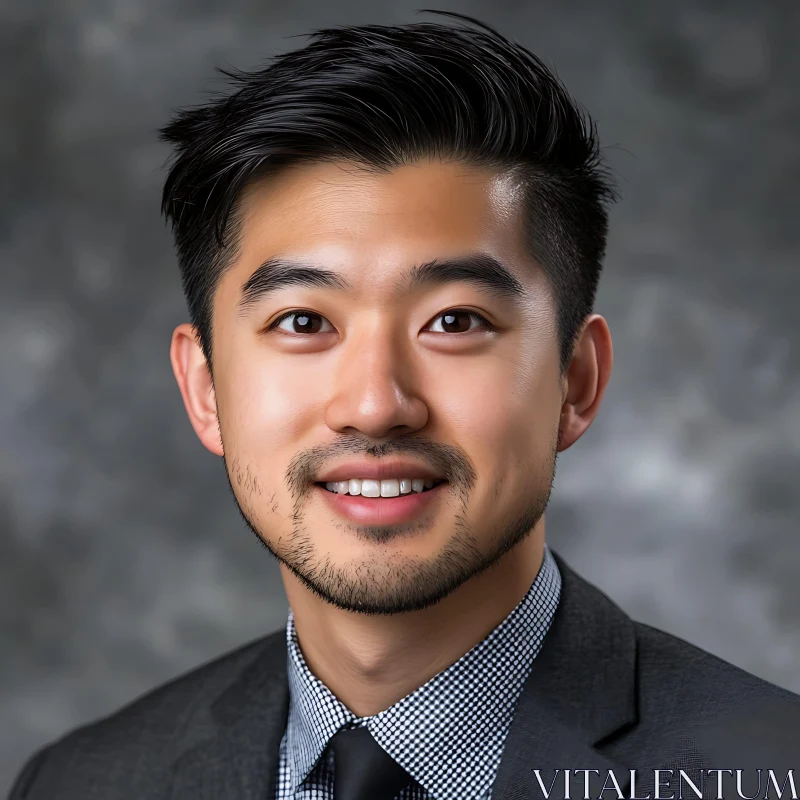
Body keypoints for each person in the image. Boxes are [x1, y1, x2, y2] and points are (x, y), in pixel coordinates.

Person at [9, 10, 799, 800]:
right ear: (206, 390)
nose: (375, 405)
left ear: (576, 380)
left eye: (454, 322)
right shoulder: (80, 782)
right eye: (303, 322)